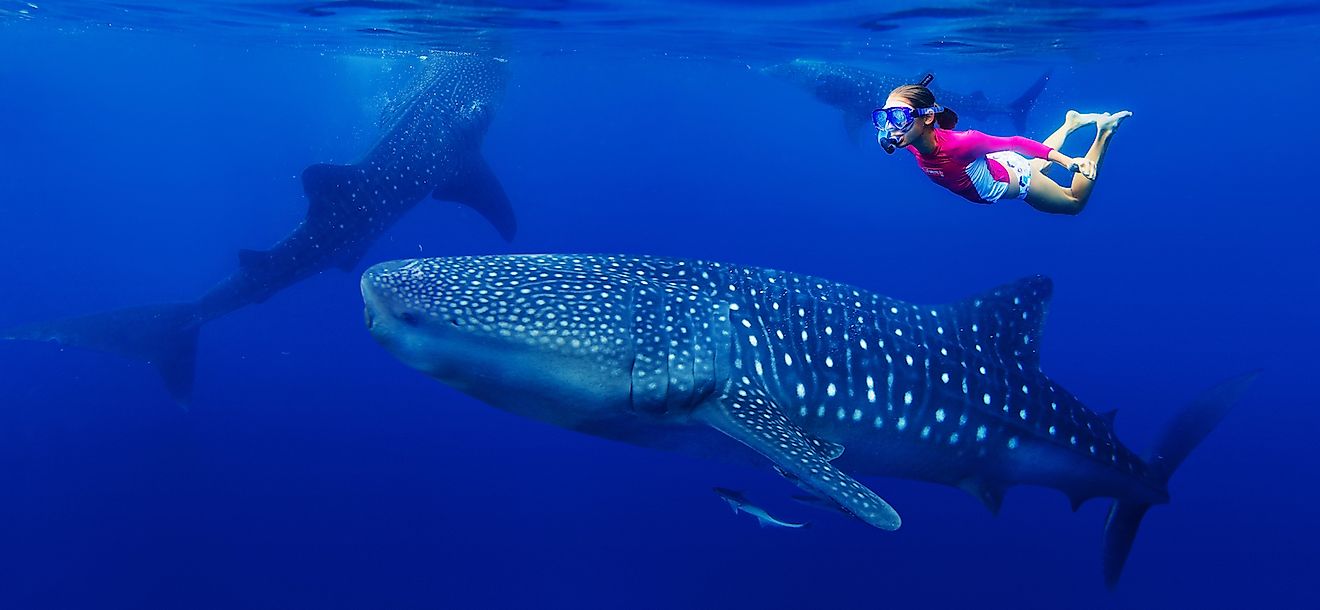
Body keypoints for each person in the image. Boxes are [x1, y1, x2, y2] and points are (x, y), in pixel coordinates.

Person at [875, 76, 1130, 215]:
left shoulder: (963, 143)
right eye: (884, 118)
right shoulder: (909, 140)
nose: (891, 128)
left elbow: (1015, 142)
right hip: (1002, 167)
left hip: (1019, 180)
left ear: (928, 117)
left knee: (1073, 202)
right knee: (1035, 166)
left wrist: (1068, 161)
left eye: (897, 117)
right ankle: (1070, 124)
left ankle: (1104, 133)